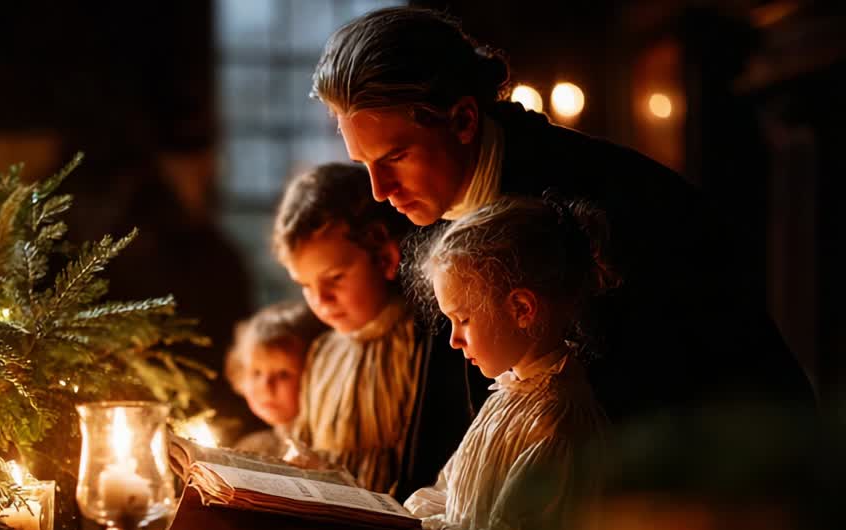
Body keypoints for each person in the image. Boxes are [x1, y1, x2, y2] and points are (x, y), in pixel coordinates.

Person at [311, 6, 813, 424]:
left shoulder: (611, 209)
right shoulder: (418, 216)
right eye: (364, 165)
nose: (380, 190)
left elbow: (673, 405)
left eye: (396, 157)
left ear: (463, 120)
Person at [403, 195, 615, 530]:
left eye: (463, 319)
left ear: (521, 309)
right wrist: (397, 520)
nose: (453, 340)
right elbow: (447, 492)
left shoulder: (555, 424)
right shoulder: (507, 395)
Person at [274, 163, 475, 497]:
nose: (320, 300)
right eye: (305, 286)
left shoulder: (422, 345)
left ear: (384, 256)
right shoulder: (322, 354)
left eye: (334, 278)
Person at [224, 300, 327, 457]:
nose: (266, 386)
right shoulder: (253, 448)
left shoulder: (327, 451)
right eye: (256, 373)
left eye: (283, 374)